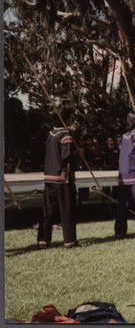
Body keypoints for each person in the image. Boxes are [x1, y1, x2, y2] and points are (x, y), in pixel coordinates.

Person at [37, 106, 78, 249]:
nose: (72, 119)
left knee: (48, 210)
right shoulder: (66, 135)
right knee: (66, 209)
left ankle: (43, 240)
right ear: (65, 119)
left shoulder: (49, 134)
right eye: (71, 116)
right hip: (62, 177)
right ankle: (69, 240)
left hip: (49, 176)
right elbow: (66, 158)